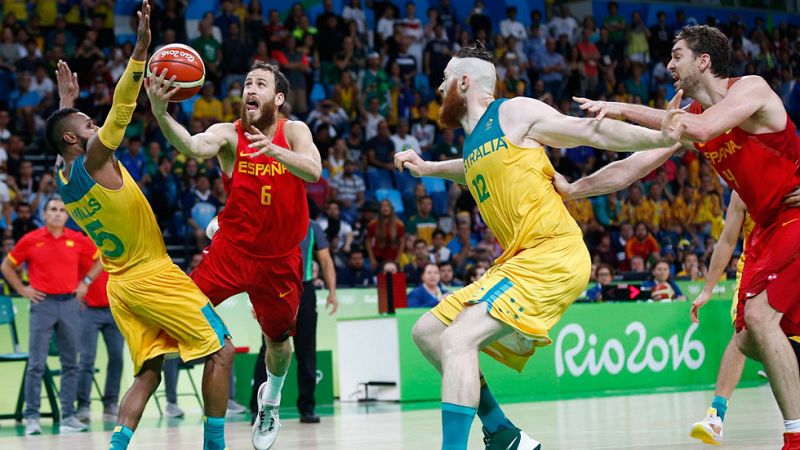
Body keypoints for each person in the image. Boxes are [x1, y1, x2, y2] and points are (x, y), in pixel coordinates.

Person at [394, 43, 681, 449]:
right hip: (516, 261)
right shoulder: (475, 140)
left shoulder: (514, 112)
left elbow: (590, 131)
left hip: (553, 253)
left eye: (444, 79)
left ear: (463, 82)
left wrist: (658, 136)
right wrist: (429, 168)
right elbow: (473, 168)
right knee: (428, 332)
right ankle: (501, 432)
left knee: (459, 340)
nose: (439, 88)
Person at [572, 25, 800, 446]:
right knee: (751, 339)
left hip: (795, 216)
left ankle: (793, 438)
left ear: (704, 61)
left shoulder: (751, 89)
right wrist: (574, 190)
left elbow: (698, 129)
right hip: (768, 229)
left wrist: (620, 108)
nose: (669, 65)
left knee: (760, 318)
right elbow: (633, 167)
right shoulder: (693, 116)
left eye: (677, 56)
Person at [45, 4, 235, 449]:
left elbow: (62, 138)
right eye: (87, 125)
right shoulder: (94, 158)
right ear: (78, 139)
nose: (96, 127)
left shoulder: (63, 174)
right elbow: (122, 108)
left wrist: (66, 105)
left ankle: (117, 445)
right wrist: (141, 50)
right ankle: (215, 444)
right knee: (222, 349)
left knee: (149, 369)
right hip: (153, 274)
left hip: (120, 285)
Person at [147, 55, 322, 449]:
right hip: (232, 253)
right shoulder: (229, 133)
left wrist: (275, 152)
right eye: (247, 84)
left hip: (279, 260)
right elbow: (192, 146)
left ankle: (271, 400)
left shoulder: (294, 132)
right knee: (177, 319)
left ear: (278, 98)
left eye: (260, 84)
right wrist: (161, 112)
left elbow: (313, 170)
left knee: (279, 342)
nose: (250, 90)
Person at [0, 198, 101, 435]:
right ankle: (32, 417)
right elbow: (6, 266)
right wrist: (22, 289)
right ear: (45, 215)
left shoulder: (76, 239)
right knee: (36, 363)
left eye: (62, 210)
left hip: (69, 303)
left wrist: (85, 282)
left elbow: (102, 259)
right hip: (42, 304)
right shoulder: (31, 239)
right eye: (53, 210)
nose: (57, 214)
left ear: (67, 216)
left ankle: (68, 416)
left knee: (70, 363)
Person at [75, 263, 124, 424]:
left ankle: (111, 403)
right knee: (86, 359)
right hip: (88, 309)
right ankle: (83, 405)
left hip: (114, 308)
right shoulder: (82, 243)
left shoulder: (116, 244)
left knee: (117, 358)